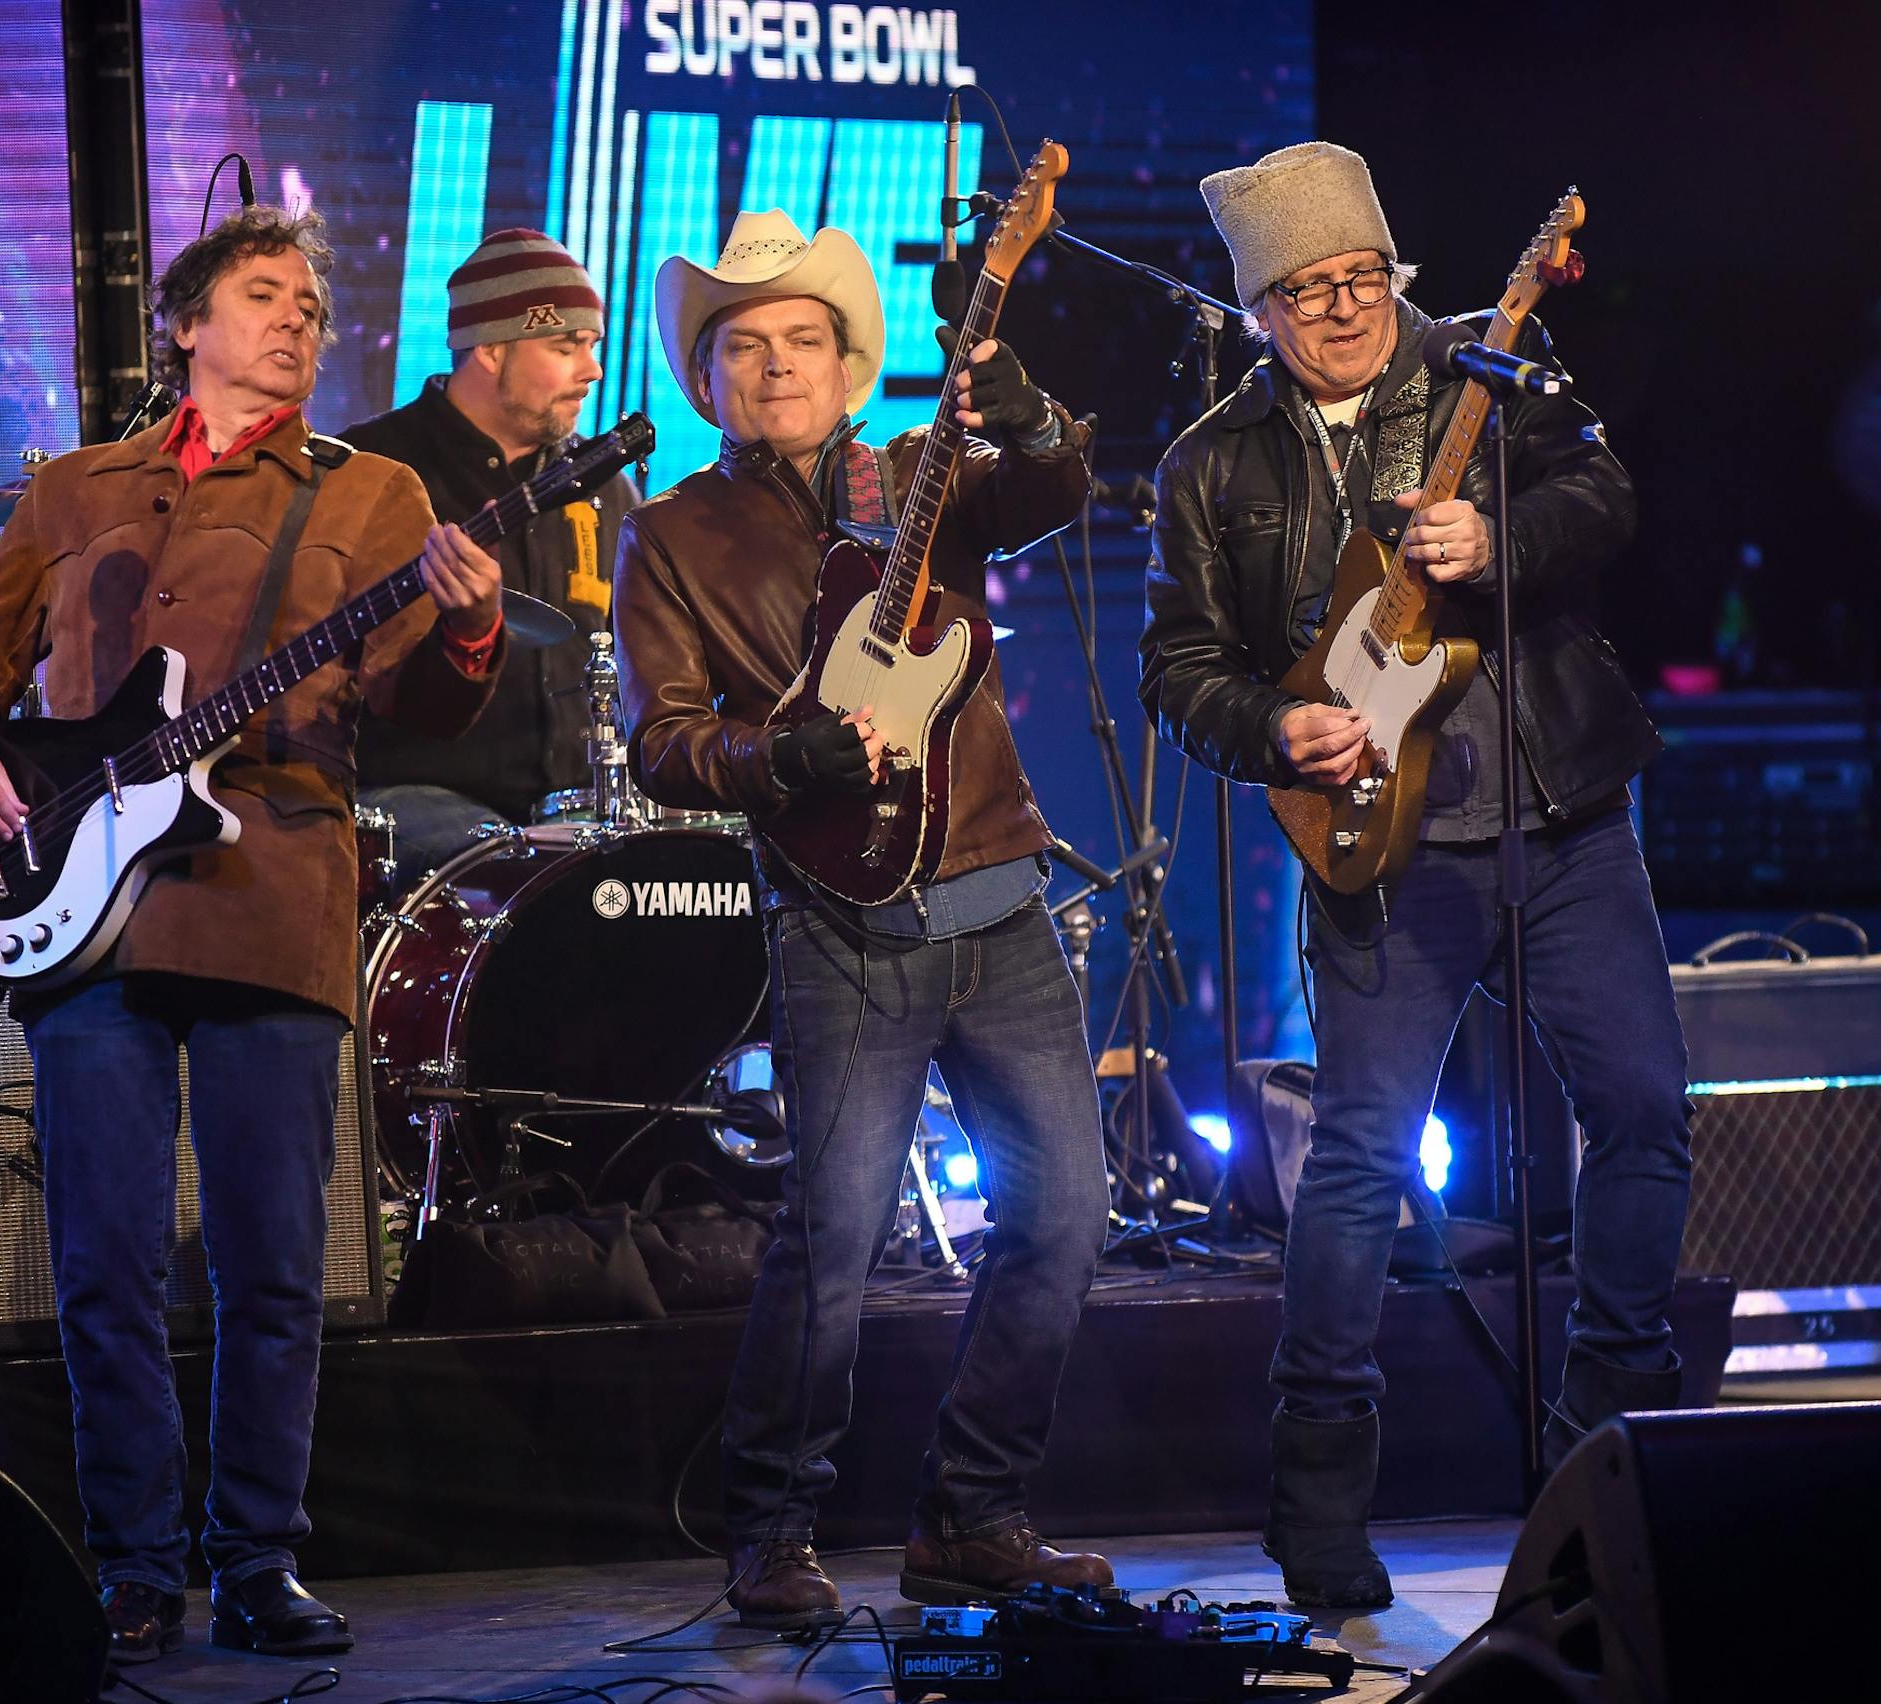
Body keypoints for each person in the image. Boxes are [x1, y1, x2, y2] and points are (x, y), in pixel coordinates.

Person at [0, 206, 504, 1663]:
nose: (300, 316)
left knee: (273, 1262)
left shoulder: (373, 495)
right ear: (186, 324)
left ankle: (256, 1557)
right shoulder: (72, 487)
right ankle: (132, 1563)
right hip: (83, 918)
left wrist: (475, 632)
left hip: (272, 898)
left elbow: (430, 716)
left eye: (313, 300)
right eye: (265, 294)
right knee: (103, 1261)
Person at [1139, 142, 1693, 1609]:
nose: (1341, 309)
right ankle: (1317, 1492)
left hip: (1560, 811)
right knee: (1361, 1167)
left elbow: (1608, 499)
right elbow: (1177, 665)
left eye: (1360, 279)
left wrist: (1501, 535)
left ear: (1395, 275)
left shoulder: (1494, 373)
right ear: (1257, 309)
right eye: (1305, 291)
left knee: (1642, 1114)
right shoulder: (1213, 465)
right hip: (1379, 842)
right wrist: (1274, 724)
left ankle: (1603, 1442)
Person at [613, 209, 1116, 1630]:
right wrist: (778, 762)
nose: (776, 367)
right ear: (706, 381)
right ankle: (773, 1533)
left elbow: (1056, 486)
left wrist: (1025, 409)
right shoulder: (672, 536)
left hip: (1001, 901)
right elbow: (661, 741)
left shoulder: (918, 477)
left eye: (803, 341)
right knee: (833, 1240)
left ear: (849, 365)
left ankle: (974, 1514)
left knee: (1068, 1216)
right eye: (744, 347)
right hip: (839, 920)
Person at [344, 229, 640, 888]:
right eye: (565, 346)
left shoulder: (607, 487)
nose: (591, 369)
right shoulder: (368, 472)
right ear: (489, 348)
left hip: (570, 811)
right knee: (528, 877)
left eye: (591, 346)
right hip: (411, 800)